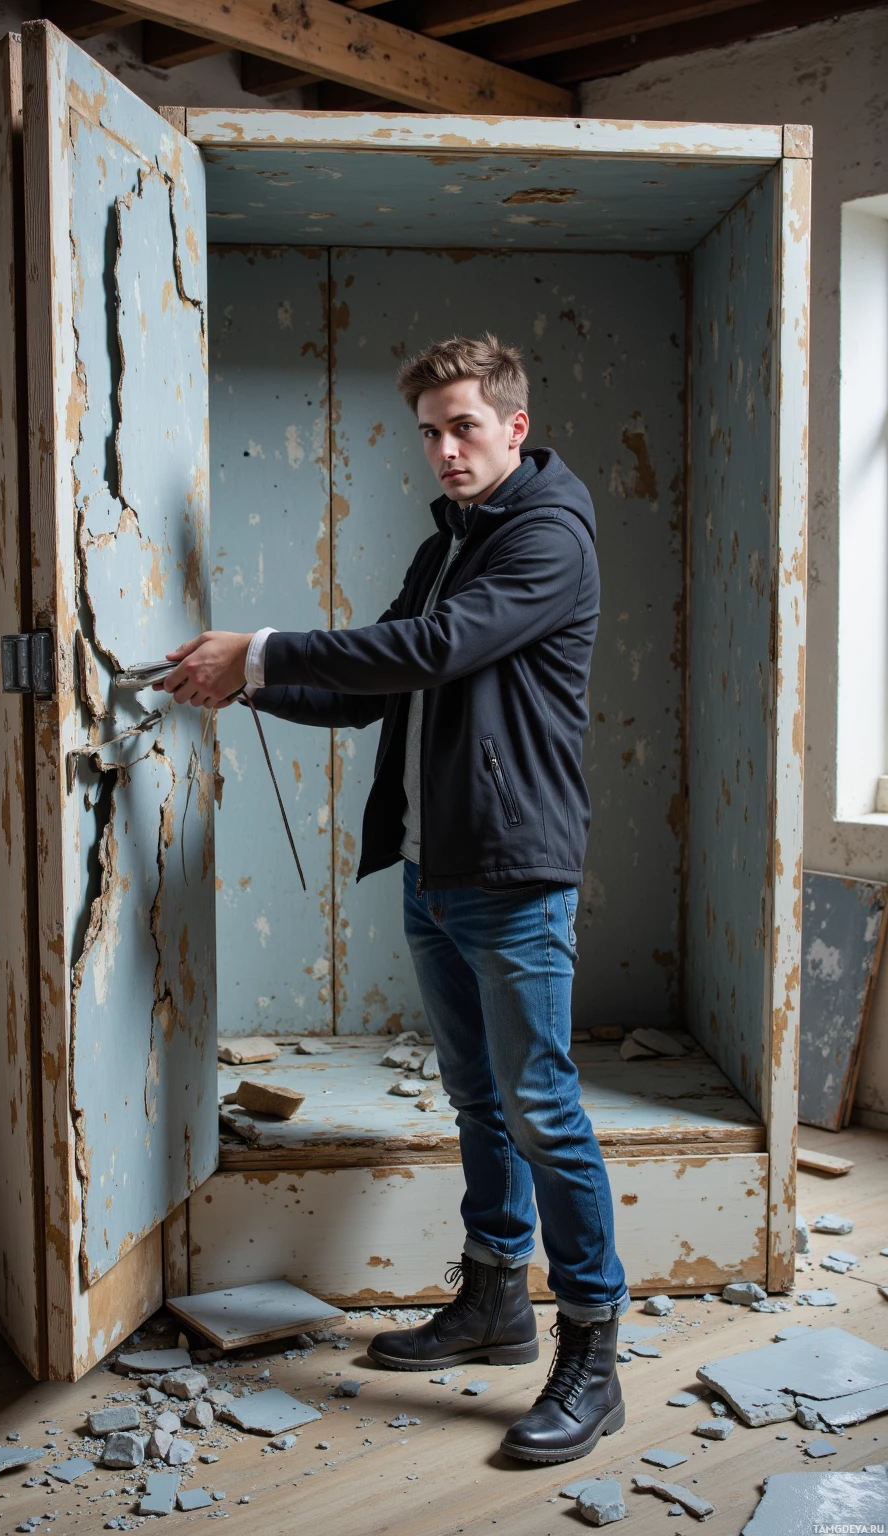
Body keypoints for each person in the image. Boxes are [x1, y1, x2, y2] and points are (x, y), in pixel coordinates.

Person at [159, 333, 629, 1464]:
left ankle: (593, 1353)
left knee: (541, 1109)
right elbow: (374, 688)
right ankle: (494, 1300)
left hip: (514, 875)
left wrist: (261, 651)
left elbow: (430, 650)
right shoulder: (449, 541)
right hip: (435, 871)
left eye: (464, 426)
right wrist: (240, 686)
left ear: (515, 426)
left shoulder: (548, 536)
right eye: (429, 432)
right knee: (480, 1102)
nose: (445, 450)